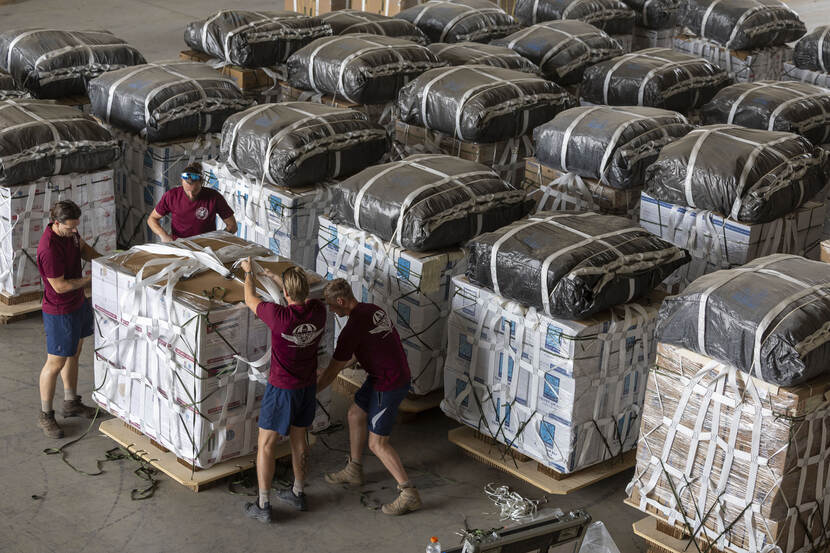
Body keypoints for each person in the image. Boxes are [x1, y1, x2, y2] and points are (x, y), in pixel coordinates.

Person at [317, 278, 421, 516]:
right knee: (354, 414)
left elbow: (332, 371)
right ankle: (354, 470)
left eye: (332, 306)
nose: (331, 310)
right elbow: (361, 350)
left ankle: (408, 493)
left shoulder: (351, 328)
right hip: (380, 376)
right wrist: (337, 368)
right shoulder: (372, 310)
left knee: (377, 443)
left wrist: (310, 393)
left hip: (391, 383)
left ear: (341, 301)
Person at [239, 257, 327, 523]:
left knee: (265, 444)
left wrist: (249, 274)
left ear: (285, 294)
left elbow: (249, 298)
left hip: (282, 390)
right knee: (300, 439)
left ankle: (263, 503)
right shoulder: (319, 311)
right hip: (307, 387)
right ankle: (298, 492)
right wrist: (278, 278)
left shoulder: (279, 317)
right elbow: (302, 294)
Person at [36, 200, 102, 439]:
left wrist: (103, 261)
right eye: (70, 228)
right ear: (56, 223)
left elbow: (83, 248)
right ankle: (46, 414)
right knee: (55, 362)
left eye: (76, 227)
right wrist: (93, 279)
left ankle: (71, 401)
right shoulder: (49, 249)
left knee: (74, 352)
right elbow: (61, 286)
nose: (74, 231)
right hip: (60, 309)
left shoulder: (70, 231)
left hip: (78, 302)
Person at [147, 162, 237, 242]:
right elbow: (152, 219)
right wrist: (164, 235)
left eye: (194, 191)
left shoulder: (214, 197)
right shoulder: (171, 196)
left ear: (201, 182)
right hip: (179, 245)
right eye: (187, 191)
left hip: (206, 246)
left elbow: (232, 226)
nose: (191, 195)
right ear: (182, 182)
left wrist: (217, 240)